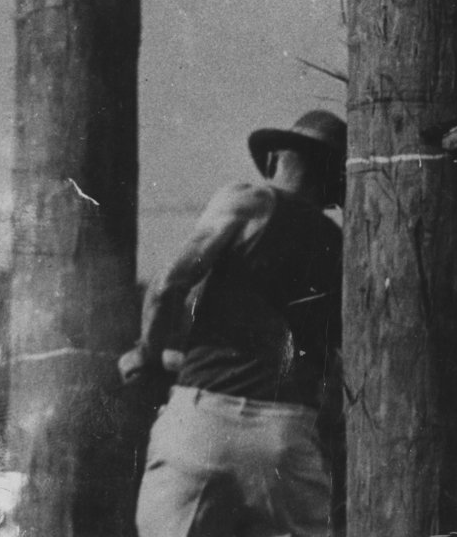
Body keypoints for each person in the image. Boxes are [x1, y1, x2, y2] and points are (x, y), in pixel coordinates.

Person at [119, 109, 347, 537]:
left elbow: (169, 282)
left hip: (201, 422)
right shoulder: (338, 244)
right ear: (335, 181)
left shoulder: (251, 201)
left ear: (277, 156)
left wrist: (149, 354)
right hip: (286, 436)